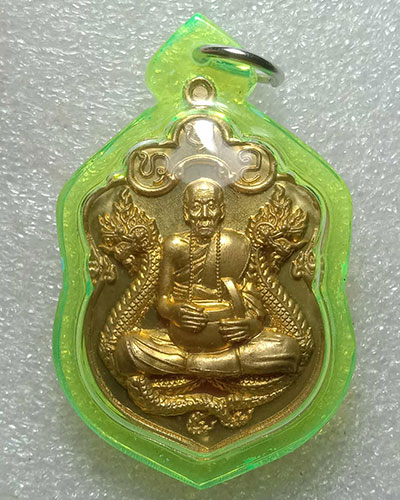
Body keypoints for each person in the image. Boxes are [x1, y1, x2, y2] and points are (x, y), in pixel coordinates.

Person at [114, 178, 300, 378]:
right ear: (186, 213)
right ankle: (218, 366)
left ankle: (194, 365)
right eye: (196, 207)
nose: (204, 215)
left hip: (228, 338)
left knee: (289, 349)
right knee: (127, 348)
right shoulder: (174, 245)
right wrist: (175, 312)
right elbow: (162, 301)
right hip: (180, 338)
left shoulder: (238, 245)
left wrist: (251, 326)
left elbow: (252, 299)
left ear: (221, 211)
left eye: (211, 207)